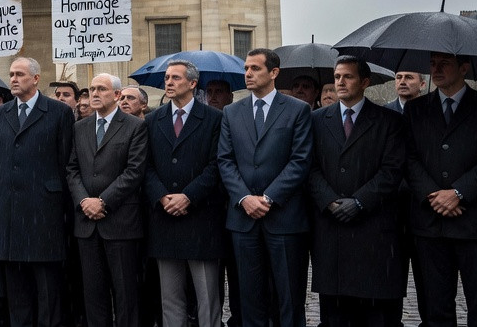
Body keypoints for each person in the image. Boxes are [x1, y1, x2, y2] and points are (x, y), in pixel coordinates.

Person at [402, 52, 477, 327]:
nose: (436, 69)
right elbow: (408, 158)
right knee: (435, 310)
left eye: (444, 64)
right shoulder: (415, 109)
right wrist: (433, 195)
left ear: (464, 68)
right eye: (432, 64)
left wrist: (459, 192)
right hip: (430, 224)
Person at [307, 55, 408, 327]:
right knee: (336, 317)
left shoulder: (389, 121)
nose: (340, 82)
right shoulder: (316, 120)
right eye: (337, 77)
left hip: (374, 232)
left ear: (365, 82)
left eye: (348, 77)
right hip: (332, 232)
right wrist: (329, 201)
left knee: (377, 317)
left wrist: (360, 201)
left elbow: (392, 170)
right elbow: (309, 167)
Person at [217, 49, 312, 327]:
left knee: (289, 297)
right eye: (246, 68)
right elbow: (225, 160)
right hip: (243, 219)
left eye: (255, 68)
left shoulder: (297, 110)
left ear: (274, 73)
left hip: (284, 219)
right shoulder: (232, 112)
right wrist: (244, 198)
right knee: (249, 297)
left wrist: (269, 198)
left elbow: (300, 160)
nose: (248, 73)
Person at [0, 57, 75, 327]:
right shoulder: (0, 114)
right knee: (17, 294)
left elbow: (66, 162)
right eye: (11, 74)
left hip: (45, 214)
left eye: (19, 74)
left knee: (48, 292)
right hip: (9, 213)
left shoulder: (58, 112)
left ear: (36, 78)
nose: (13, 79)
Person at [144, 60, 224, 327]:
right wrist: (161, 196)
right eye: (167, 77)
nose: (168, 82)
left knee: (207, 297)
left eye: (175, 78)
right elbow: (146, 165)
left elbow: (216, 165)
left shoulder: (213, 118)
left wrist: (189, 196)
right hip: (164, 218)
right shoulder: (152, 119)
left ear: (192, 83)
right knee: (170, 298)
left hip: (201, 218)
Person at [68, 73, 148, 327]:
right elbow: (72, 169)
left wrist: (102, 202)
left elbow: (134, 171)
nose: (94, 93)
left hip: (120, 222)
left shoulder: (135, 126)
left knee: (125, 293)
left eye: (101, 89)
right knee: (93, 294)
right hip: (86, 224)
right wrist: (84, 201)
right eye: (92, 88)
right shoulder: (80, 127)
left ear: (116, 95)